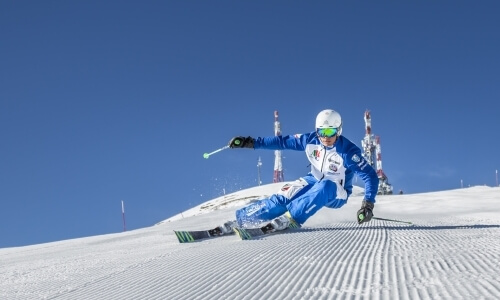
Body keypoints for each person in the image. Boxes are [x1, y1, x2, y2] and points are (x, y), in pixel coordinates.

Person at [220, 109, 379, 233]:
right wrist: (251, 143)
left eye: (330, 132)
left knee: (325, 186)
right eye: (322, 132)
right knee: (283, 198)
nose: (326, 137)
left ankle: (291, 218)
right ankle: (243, 219)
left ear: (338, 130)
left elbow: (370, 176)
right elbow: (281, 142)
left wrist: (368, 204)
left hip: (336, 191)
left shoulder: (348, 151)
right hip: (313, 179)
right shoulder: (310, 140)